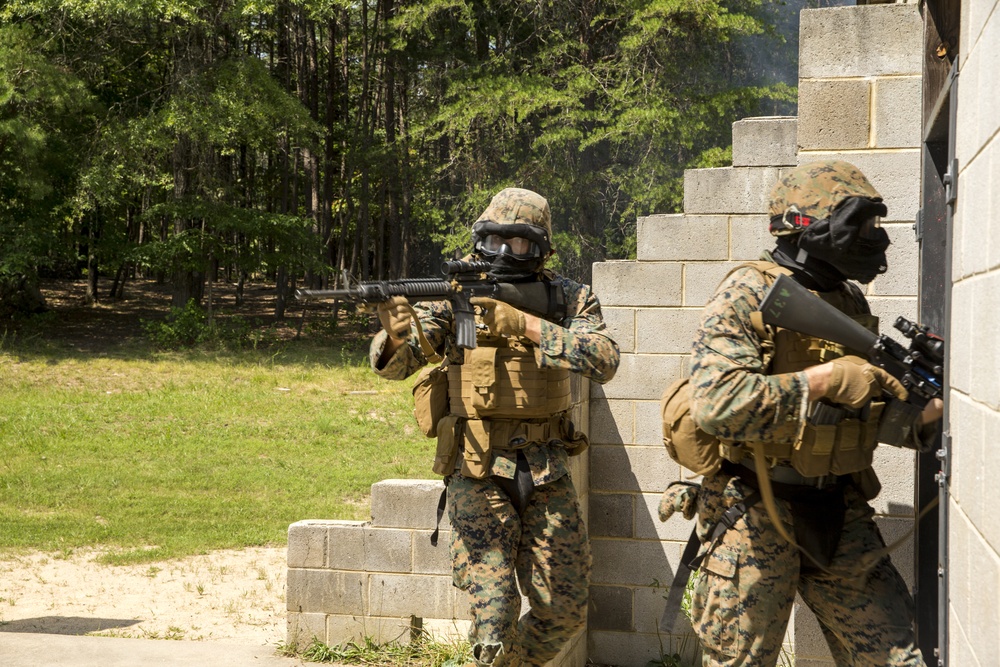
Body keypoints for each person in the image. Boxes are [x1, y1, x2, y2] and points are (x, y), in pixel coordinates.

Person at [669, 160, 942, 666]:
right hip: (753, 509)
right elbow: (716, 405)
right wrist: (824, 380)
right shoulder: (748, 292)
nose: (872, 237)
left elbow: (865, 413)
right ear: (806, 225)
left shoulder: (847, 298)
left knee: (902, 657)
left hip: (838, 508)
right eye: (858, 223)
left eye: (875, 225)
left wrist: (924, 416)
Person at [369, 187, 620, 667]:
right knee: (495, 614)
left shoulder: (567, 296)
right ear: (480, 239)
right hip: (477, 469)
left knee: (564, 611)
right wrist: (397, 331)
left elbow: (604, 360)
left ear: (542, 247)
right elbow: (399, 366)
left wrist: (525, 325)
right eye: (496, 240)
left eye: (519, 242)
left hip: (547, 470)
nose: (505, 252)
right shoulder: (456, 294)